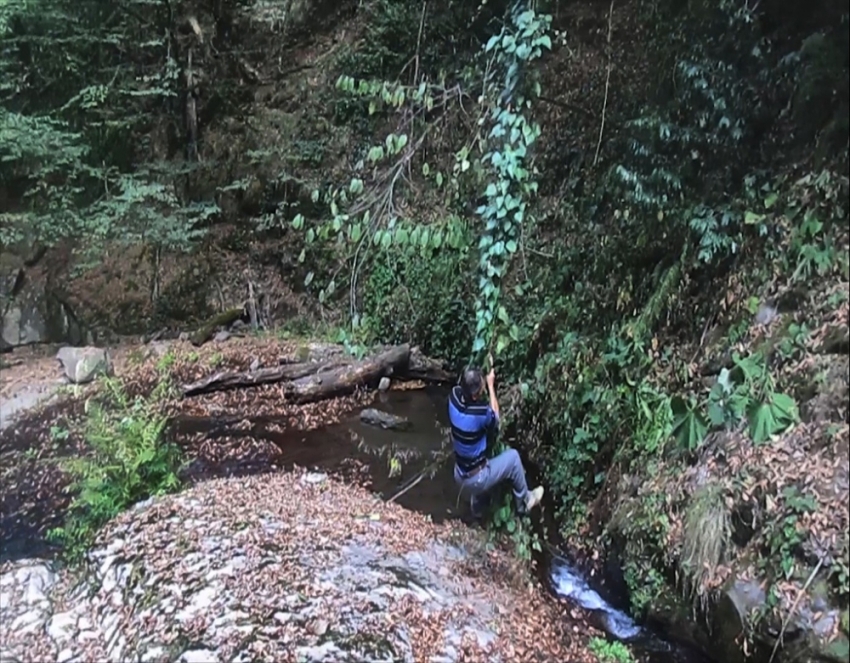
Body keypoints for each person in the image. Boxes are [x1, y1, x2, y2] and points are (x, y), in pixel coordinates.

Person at [448, 361, 544, 519]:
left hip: (459, 475)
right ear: (475, 395)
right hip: (476, 479)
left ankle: (477, 509)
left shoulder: (453, 397)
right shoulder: (479, 413)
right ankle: (526, 501)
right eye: (481, 387)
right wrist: (491, 386)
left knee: (478, 455)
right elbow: (496, 420)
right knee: (513, 458)